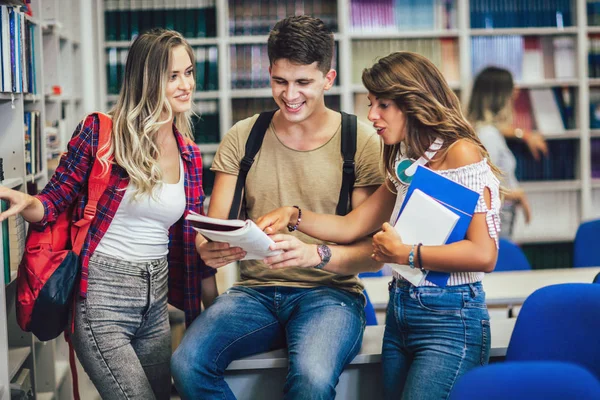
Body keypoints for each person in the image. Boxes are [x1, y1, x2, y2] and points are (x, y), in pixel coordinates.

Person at [256, 51, 502, 400]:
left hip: (450, 317)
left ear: (413, 102)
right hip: (402, 311)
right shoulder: (407, 160)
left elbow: (484, 254)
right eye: (371, 104)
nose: (372, 116)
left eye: (383, 105)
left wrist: (405, 253)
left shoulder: (461, 153)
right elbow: (352, 225)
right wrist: (294, 216)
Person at [170, 15, 383, 400]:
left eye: (303, 82)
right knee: (186, 364)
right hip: (254, 292)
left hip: (330, 295)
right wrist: (210, 249)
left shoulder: (360, 141)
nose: (290, 95)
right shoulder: (243, 136)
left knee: (312, 379)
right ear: (269, 72)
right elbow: (212, 230)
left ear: (328, 78)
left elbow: (371, 256)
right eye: (279, 81)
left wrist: (310, 255)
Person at [0, 29, 216, 400]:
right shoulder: (102, 133)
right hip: (101, 300)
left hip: (157, 303)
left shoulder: (190, 154)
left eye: (190, 72)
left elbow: (190, 240)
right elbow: (53, 202)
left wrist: (214, 308)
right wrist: (25, 202)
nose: (187, 85)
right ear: (146, 79)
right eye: (173, 76)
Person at [467, 66, 545, 236]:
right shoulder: (488, 135)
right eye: (511, 95)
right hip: (495, 222)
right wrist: (517, 194)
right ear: (500, 99)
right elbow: (482, 187)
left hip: (498, 219)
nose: (514, 100)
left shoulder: (485, 131)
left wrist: (524, 135)